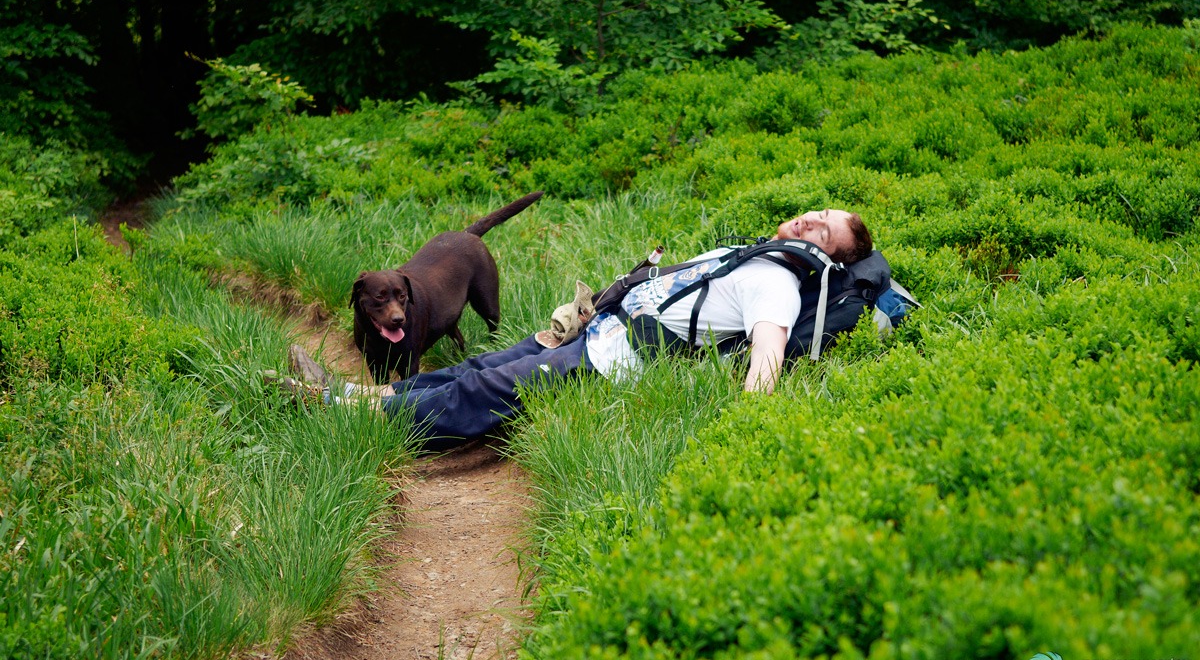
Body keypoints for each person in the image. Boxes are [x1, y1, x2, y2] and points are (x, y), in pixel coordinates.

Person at [279, 208, 873, 452]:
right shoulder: (751, 255)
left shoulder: (779, 285)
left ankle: (336, 409)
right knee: (476, 368)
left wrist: (747, 435)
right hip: (597, 329)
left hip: (615, 360)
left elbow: (766, 355)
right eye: (815, 214)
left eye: (822, 233)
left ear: (829, 262)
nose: (807, 223)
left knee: (486, 392)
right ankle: (356, 396)